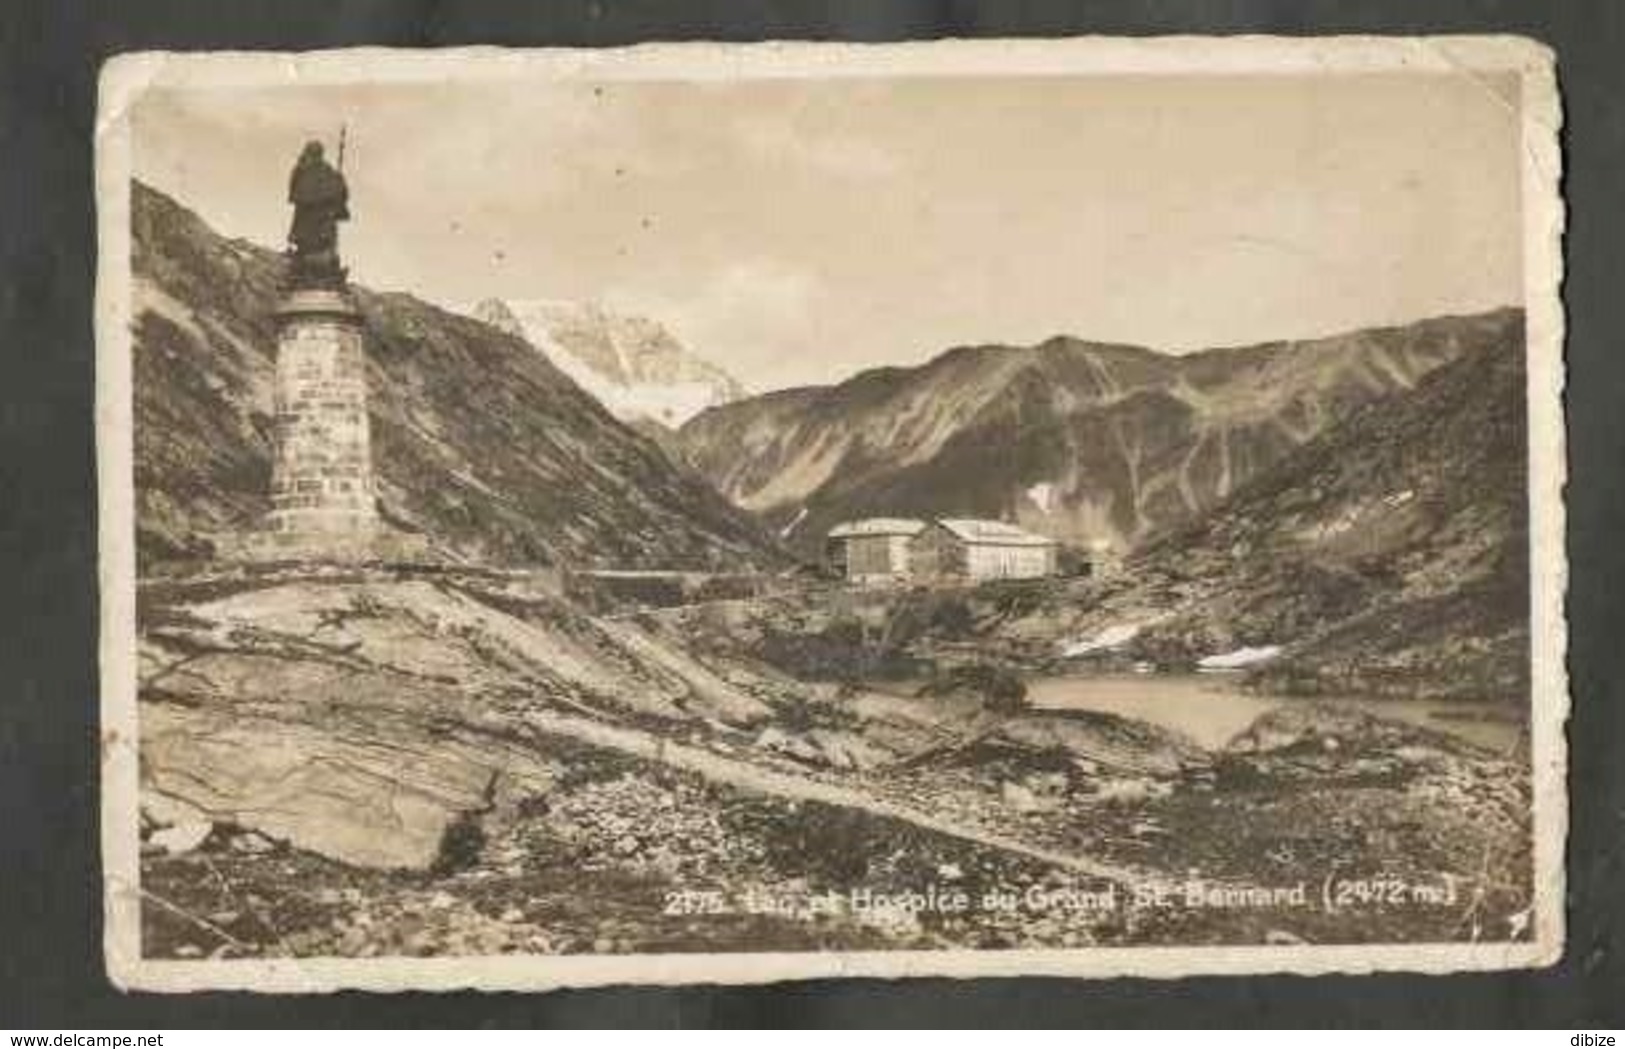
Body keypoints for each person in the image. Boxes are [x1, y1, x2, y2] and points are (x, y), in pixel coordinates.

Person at [286, 139, 350, 287]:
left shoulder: (304, 171)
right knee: (314, 250)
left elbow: (296, 194)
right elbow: (342, 195)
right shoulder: (328, 173)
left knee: (309, 251)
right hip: (319, 224)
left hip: (311, 223)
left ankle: (307, 274)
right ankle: (311, 274)